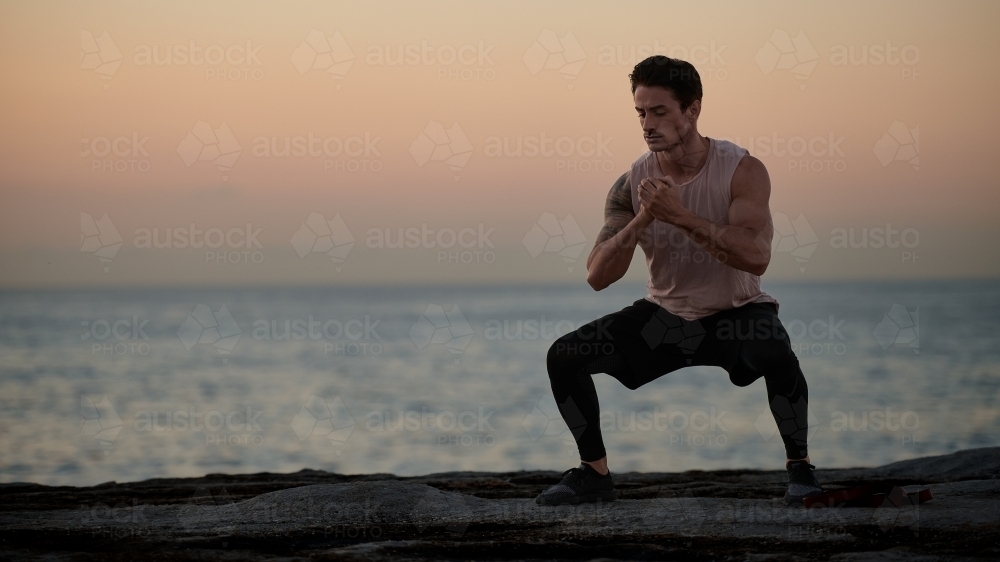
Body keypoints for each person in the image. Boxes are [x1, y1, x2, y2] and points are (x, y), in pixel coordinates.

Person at [535, 56, 822, 507]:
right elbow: (597, 276)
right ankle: (594, 474)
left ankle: (801, 470)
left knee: (774, 350)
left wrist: (680, 217)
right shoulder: (631, 183)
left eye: (659, 111)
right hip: (666, 318)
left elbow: (757, 257)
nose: (647, 124)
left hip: (737, 313)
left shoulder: (742, 170)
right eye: (641, 113)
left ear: (693, 110)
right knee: (565, 356)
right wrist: (644, 218)